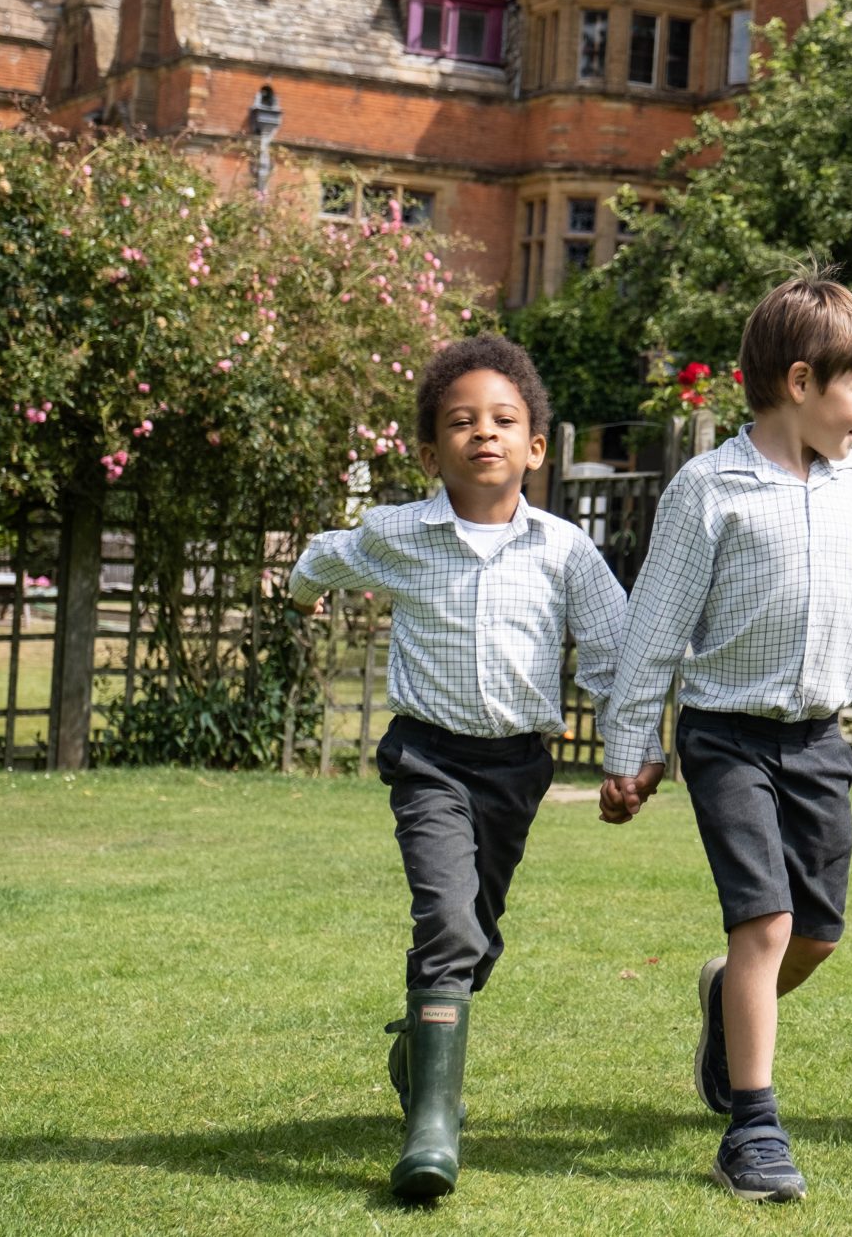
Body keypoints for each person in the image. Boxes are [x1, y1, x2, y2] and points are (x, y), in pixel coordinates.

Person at [597, 270, 852, 1204]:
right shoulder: (710, 488)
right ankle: (754, 1128)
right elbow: (654, 627)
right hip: (727, 735)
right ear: (802, 382)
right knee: (763, 922)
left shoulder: (851, 482)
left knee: (812, 933)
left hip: (818, 740)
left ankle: (725, 998)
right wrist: (628, 747)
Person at [285, 334, 629, 1202]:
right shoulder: (397, 533)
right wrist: (300, 587)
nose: (484, 433)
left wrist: (631, 755)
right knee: (446, 918)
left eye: (504, 420)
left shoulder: (564, 551)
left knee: (477, 933)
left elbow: (614, 655)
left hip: (517, 769)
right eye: (461, 422)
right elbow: (325, 553)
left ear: (536, 447)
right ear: (432, 447)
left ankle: (418, 1047)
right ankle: (431, 1127)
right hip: (430, 758)